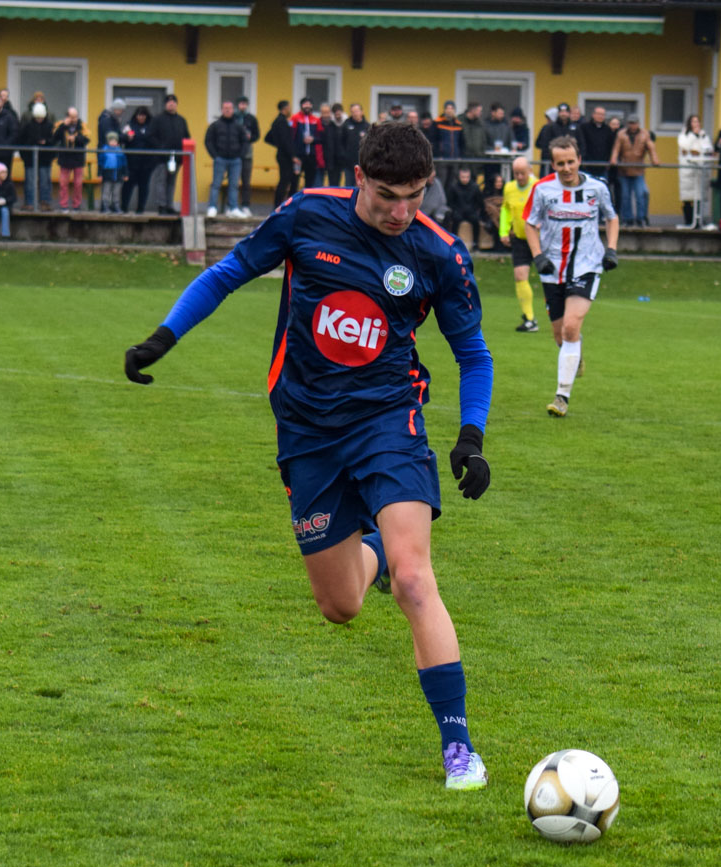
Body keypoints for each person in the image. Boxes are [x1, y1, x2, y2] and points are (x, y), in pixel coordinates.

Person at [120, 121, 494, 791]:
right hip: (306, 429)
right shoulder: (306, 215)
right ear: (359, 179)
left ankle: (458, 748)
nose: (400, 212)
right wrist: (164, 337)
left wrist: (472, 435)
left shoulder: (440, 254)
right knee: (341, 606)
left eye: (414, 196)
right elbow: (228, 274)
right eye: (387, 196)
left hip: (388, 420)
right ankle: (374, 551)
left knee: (415, 581)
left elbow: (473, 353)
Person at [525, 136, 618, 419]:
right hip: (553, 270)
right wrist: (538, 255)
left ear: (579, 160)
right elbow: (530, 224)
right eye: (560, 163)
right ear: (553, 164)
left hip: (587, 266)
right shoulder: (543, 189)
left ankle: (561, 396)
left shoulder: (597, 188)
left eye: (570, 162)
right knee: (560, 335)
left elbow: (611, 217)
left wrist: (611, 248)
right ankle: (575, 353)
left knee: (570, 326)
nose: (566, 168)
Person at [498, 155, 540, 332]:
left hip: (540, 239)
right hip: (520, 239)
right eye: (516, 173)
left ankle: (557, 314)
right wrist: (503, 231)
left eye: (523, 173)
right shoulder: (509, 188)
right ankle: (530, 319)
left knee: (550, 278)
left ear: (530, 170)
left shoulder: (539, 186)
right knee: (520, 275)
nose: (520, 177)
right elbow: (506, 209)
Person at [609, 115, 658, 227]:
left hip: (638, 170)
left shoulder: (645, 134)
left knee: (641, 194)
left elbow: (651, 147)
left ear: (638, 124)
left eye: (634, 123)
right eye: (631, 123)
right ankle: (628, 219)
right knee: (625, 196)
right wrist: (613, 159)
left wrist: (654, 159)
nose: (633, 125)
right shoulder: (621, 134)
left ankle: (641, 218)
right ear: (628, 124)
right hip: (624, 170)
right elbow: (616, 148)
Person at [204, 99, 247, 218]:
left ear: (233, 110)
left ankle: (233, 208)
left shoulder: (238, 126)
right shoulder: (215, 125)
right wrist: (215, 155)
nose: (227, 110)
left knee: (234, 185)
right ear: (222, 110)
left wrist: (240, 155)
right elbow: (208, 141)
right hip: (220, 159)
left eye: (229, 108)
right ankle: (212, 207)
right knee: (216, 184)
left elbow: (244, 141)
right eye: (225, 108)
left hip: (235, 160)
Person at [150, 94, 190, 214]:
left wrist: (183, 153)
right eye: (169, 102)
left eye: (173, 102)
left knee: (171, 183)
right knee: (161, 181)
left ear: (176, 104)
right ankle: (161, 206)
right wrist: (160, 148)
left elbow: (187, 137)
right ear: (165, 104)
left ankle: (169, 205)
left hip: (176, 158)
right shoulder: (157, 119)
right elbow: (150, 136)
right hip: (161, 158)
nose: (171, 104)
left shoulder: (181, 120)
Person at [17, 98, 55, 210]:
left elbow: (54, 141)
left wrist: (46, 143)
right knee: (30, 182)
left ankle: (45, 203)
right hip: (29, 159)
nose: (39, 119)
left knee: (45, 182)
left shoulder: (50, 126)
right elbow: (21, 141)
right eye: (37, 117)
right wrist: (25, 155)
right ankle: (29, 203)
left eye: (41, 117)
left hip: (45, 159)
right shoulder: (27, 126)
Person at [677, 114, 713, 228]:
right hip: (688, 170)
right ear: (689, 123)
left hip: (700, 170)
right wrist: (694, 135)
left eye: (697, 121)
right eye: (693, 121)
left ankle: (699, 221)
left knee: (700, 196)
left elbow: (708, 148)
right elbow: (685, 146)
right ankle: (689, 221)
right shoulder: (684, 135)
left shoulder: (704, 135)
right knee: (688, 197)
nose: (696, 124)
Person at [52, 107, 88, 211]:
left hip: (78, 159)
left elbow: (87, 139)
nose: (74, 119)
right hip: (64, 159)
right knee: (63, 184)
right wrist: (63, 125)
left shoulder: (82, 125)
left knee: (78, 184)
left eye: (75, 117)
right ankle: (64, 205)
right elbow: (54, 137)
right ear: (67, 116)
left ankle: (77, 205)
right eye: (72, 117)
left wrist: (76, 138)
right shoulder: (60, 125)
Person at [121, 105, 155, 213]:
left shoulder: (151, 127)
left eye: (143, 115)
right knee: (128, 185)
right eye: (139, 115)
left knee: (143, 186)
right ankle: (124, 207)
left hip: (146, 163)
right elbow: (122, 138)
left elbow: (155, 141)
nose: (141, 117)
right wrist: (127, 137)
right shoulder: (129, 126)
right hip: (131, 162)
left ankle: (141, 208)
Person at [444, 164, 486, 249]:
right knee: (455, 221)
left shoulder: (475, 187)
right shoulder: (454, 187)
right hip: (458, 211)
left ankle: (475, 243)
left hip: (471, 211)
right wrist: (454, 211)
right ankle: (453, 242)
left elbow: (480, 202)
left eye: (467, 177)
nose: (465, 179)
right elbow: (450, 202)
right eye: (463, 177)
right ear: (459, 177)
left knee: (475, 221)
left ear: (470, 177)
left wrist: (476, 210)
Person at [267, 100, 299, 205]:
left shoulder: (277, 121)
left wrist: (278, 144)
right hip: (286, 157)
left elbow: (268, 138)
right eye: (289, 107)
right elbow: (285, 141)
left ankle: (283, 204)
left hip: (283, 154)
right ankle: (279, 205)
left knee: (288, 180)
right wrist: (292, 155)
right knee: (285, 182)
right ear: (285, 108)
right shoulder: (281, 122)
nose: (290, 110)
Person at [290, 98, 323, 189]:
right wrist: (293, 154)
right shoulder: (295, 118)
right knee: (294, 180)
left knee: (310, 181)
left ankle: (307, 197)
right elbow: (291, 137)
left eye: (309, 104)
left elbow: (321, 137)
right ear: (301, 106)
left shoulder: (316, 120)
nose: (307, 106)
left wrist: (313, 139)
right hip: (298, 155)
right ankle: (293, 197)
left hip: (311, 156)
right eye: (305, 104)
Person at [235, 97, 260, 212]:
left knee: (246, 181)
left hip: (247, 154)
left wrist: (251, 137)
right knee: (233, 181)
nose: (243, 106)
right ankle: (232, 205)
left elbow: (257, 135)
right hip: (234, 153)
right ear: (238, 105)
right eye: (241, 104)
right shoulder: (233, 117)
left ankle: (245, 205)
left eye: (245, 104)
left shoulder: (251, 119)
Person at [336, 103, 368, 189]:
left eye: (357, 111)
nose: (355, 113)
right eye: (353, 112)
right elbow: (340, 142)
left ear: (361, 112)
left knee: (361, 187)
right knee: (349, 187)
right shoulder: (346, 125)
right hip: (349, 164)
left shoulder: (367, 126)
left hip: (362, 164)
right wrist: (344, 155)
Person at [535, 103, 574, 170]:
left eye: (548, 119)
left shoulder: (572, 127)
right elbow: (541, 143)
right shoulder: (547, 128)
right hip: (550, 161)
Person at [98, 130, 125, 212]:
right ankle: (105, 206)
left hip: (118, 174)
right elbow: (100, 163)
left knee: (116, 192)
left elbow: (124, 163)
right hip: (107, 174)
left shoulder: (120, 151)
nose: (113, 142)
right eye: (111, 141)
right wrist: (100, 174)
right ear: (108, 141)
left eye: (115, 141)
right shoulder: (104, 151)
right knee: (106, 191)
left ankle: (116, 206)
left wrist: (125, 174)